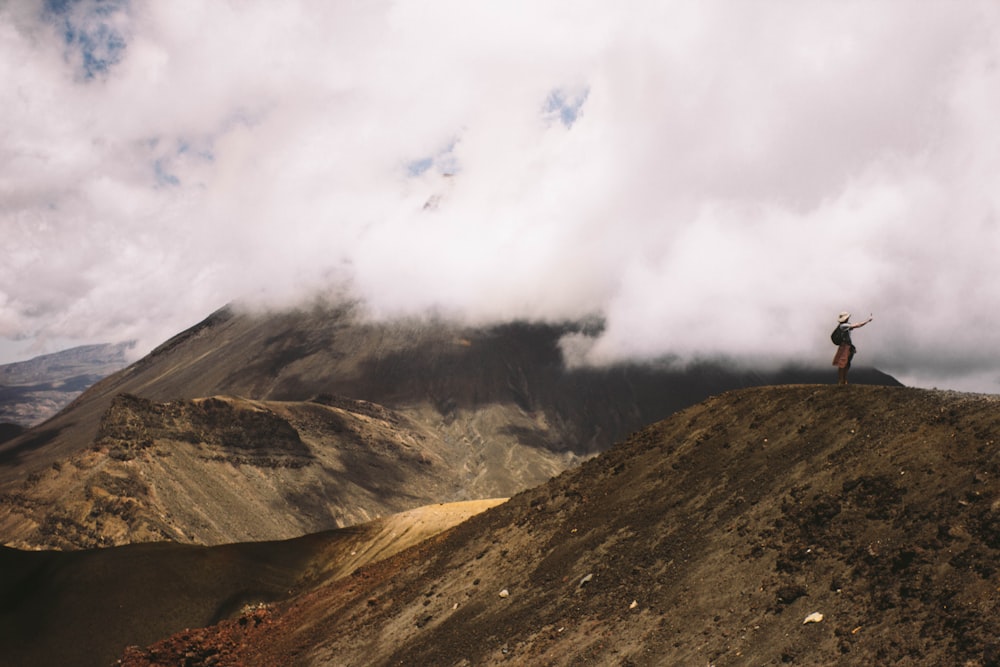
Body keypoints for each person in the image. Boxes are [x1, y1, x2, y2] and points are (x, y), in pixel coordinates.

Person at [833, 311, 873, 385]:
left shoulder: (844, 326)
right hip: (845, 346)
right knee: (843, 363)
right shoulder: (843, 326)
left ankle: (843, 380)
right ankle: (841, 380)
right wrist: (867, 320)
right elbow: (858, 325)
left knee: (847, 363)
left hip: (847, 345)